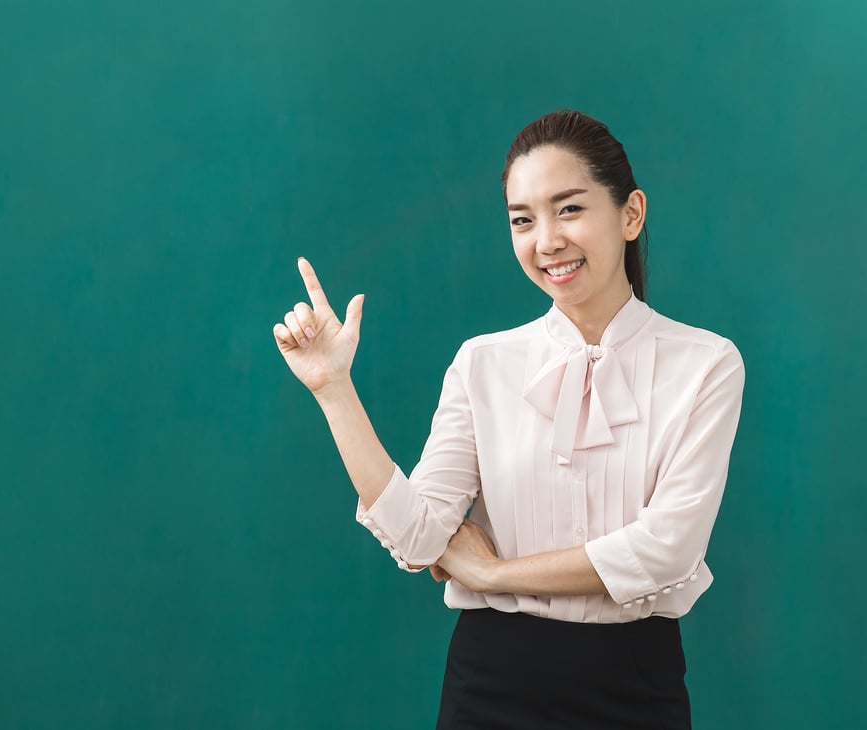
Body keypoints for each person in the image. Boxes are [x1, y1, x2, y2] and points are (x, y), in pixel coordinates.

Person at [272, 110, 745, 729]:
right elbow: (418, 537)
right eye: (522, 220)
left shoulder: (706, 363)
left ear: (630, 213)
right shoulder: (482, 363)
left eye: (569, 209)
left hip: (636, 686)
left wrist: (492, 571)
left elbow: (666, 550)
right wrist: (334, 390)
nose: (546, 240)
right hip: (490, 684)